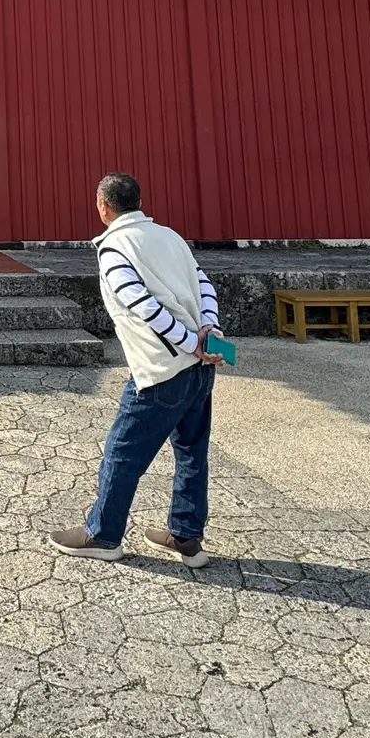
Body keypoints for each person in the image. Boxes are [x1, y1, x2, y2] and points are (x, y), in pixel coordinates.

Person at [49, 172, 224, 568]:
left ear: (102, 207)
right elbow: (204, 284)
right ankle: (186, 536)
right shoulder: (171, 237)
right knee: (192, 453)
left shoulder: (114, 247)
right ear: (139, 202)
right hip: (199, 367)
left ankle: (103, 534)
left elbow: (139, 304)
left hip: (161, 370)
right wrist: (208, 333)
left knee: (122, 453)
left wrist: (185, 340)